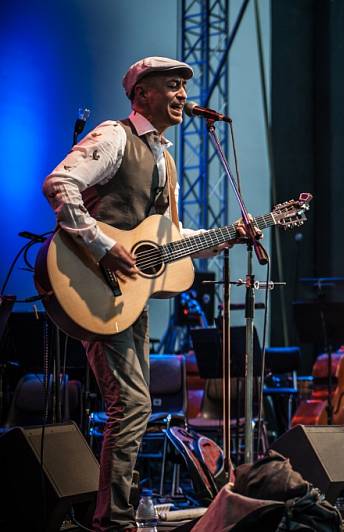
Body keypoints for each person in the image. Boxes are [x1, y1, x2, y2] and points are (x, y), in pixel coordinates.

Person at [42, 56, 256, 531]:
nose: (183, 94)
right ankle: (113, 522)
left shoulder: (166, 157)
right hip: (92, 286)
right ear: (142, 93)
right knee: (133, 405)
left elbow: (169, 238)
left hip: (127, 299)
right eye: (172, 85)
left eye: (184, 86)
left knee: (131, 407)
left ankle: (119, 514)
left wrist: (231, 235)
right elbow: (60, 184)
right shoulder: (114, 136)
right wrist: (102, 245)